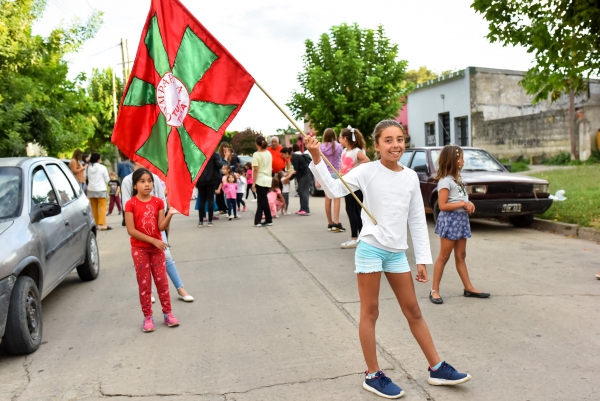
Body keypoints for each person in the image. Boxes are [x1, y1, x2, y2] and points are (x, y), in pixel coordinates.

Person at [306, 119, 471, 399]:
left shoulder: (409, 176)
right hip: (371, 248)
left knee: (414, 311)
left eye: (399, 139)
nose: (395, 145)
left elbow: (417, 219)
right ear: (376, 144)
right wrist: (316, 157)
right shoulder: (366, 171)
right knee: (370, 313)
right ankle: (373, 375)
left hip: (396, 253)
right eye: (388, 140)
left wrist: (422, 259)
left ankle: (437, 367)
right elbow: (334, 189)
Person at [122, 162, 194, 302]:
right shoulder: (127, 181)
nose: (147, 184)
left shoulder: (155, 177)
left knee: (166, 256)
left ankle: (180, 288)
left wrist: (165, 229)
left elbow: (162, 205)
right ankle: (150, 292)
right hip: (139, 230)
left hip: (157, 228)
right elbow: (127, 206)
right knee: (143, 262)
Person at [430, 145, 490, 305]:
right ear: (453, 160)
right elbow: (442, 206)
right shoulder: (445, 181)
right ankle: (434, 290)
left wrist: (469, 203)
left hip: (461, 221)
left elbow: (461, 199)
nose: (463, 161)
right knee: (444, 256)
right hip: (450, 221)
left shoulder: (459, 179)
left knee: (461, 255)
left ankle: (468, 287)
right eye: (461, 158)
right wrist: (463, 204)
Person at [124, 168, 180, 332]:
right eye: (142, 181)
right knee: (144, 283)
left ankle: (168, 313)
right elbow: (131, 230)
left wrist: (170, 214)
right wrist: (154, 240)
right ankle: (147, 317)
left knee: (162, 281)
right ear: (135, 185)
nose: (147, 184)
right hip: (139, 249)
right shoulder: (130, 204)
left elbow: (161, 226)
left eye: (149, 181)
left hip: (157, 249)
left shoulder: (158, 202)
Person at [338, 126, 370, 249]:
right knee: (353, 210)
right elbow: (343, 166)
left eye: (340, 137)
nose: (339, 140)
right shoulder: (344, 151)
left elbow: (366, 160)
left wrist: (353, 169)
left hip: (355, 185)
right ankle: (360, 237)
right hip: (346, 184)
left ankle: (355, 238)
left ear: (346, 138)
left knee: (354, 210)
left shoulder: (356, 151)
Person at [320, 128, 345, 233]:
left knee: (328, 198)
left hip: (325, 174)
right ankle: (336, 222)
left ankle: (329, 223)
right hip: (336, 173)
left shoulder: (321, 147)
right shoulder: (338, 146)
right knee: (337, 198)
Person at [252, 136, 273, 227]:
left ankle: (269, 219)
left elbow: (255, 169)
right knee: (261, 200)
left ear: (256, 143)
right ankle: (258, 220)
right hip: (268, 179)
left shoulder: (256, 154)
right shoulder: (269, 153)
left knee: (263, 201)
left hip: (260, 179)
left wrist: (253, 182)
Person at [86, 153, 111, 230]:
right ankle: (103, 225)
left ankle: (95, 224)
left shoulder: (88, 168)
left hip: (91, 189)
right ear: (98, 159)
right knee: (103, 207)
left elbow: (85, 177)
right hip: (101, 189)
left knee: (93, 208)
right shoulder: (102, 167)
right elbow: (107, 180)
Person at [288, 143, 311, 216]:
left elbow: (296, 170)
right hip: (303, 175)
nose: (283, 157)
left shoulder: (294, 157)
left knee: (304, 191)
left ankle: (306, 209)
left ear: (287, 153)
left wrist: (289, 179)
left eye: (283, 155)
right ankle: (302, 208)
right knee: (301, 191)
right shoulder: (294, 156)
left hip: (306, 174)